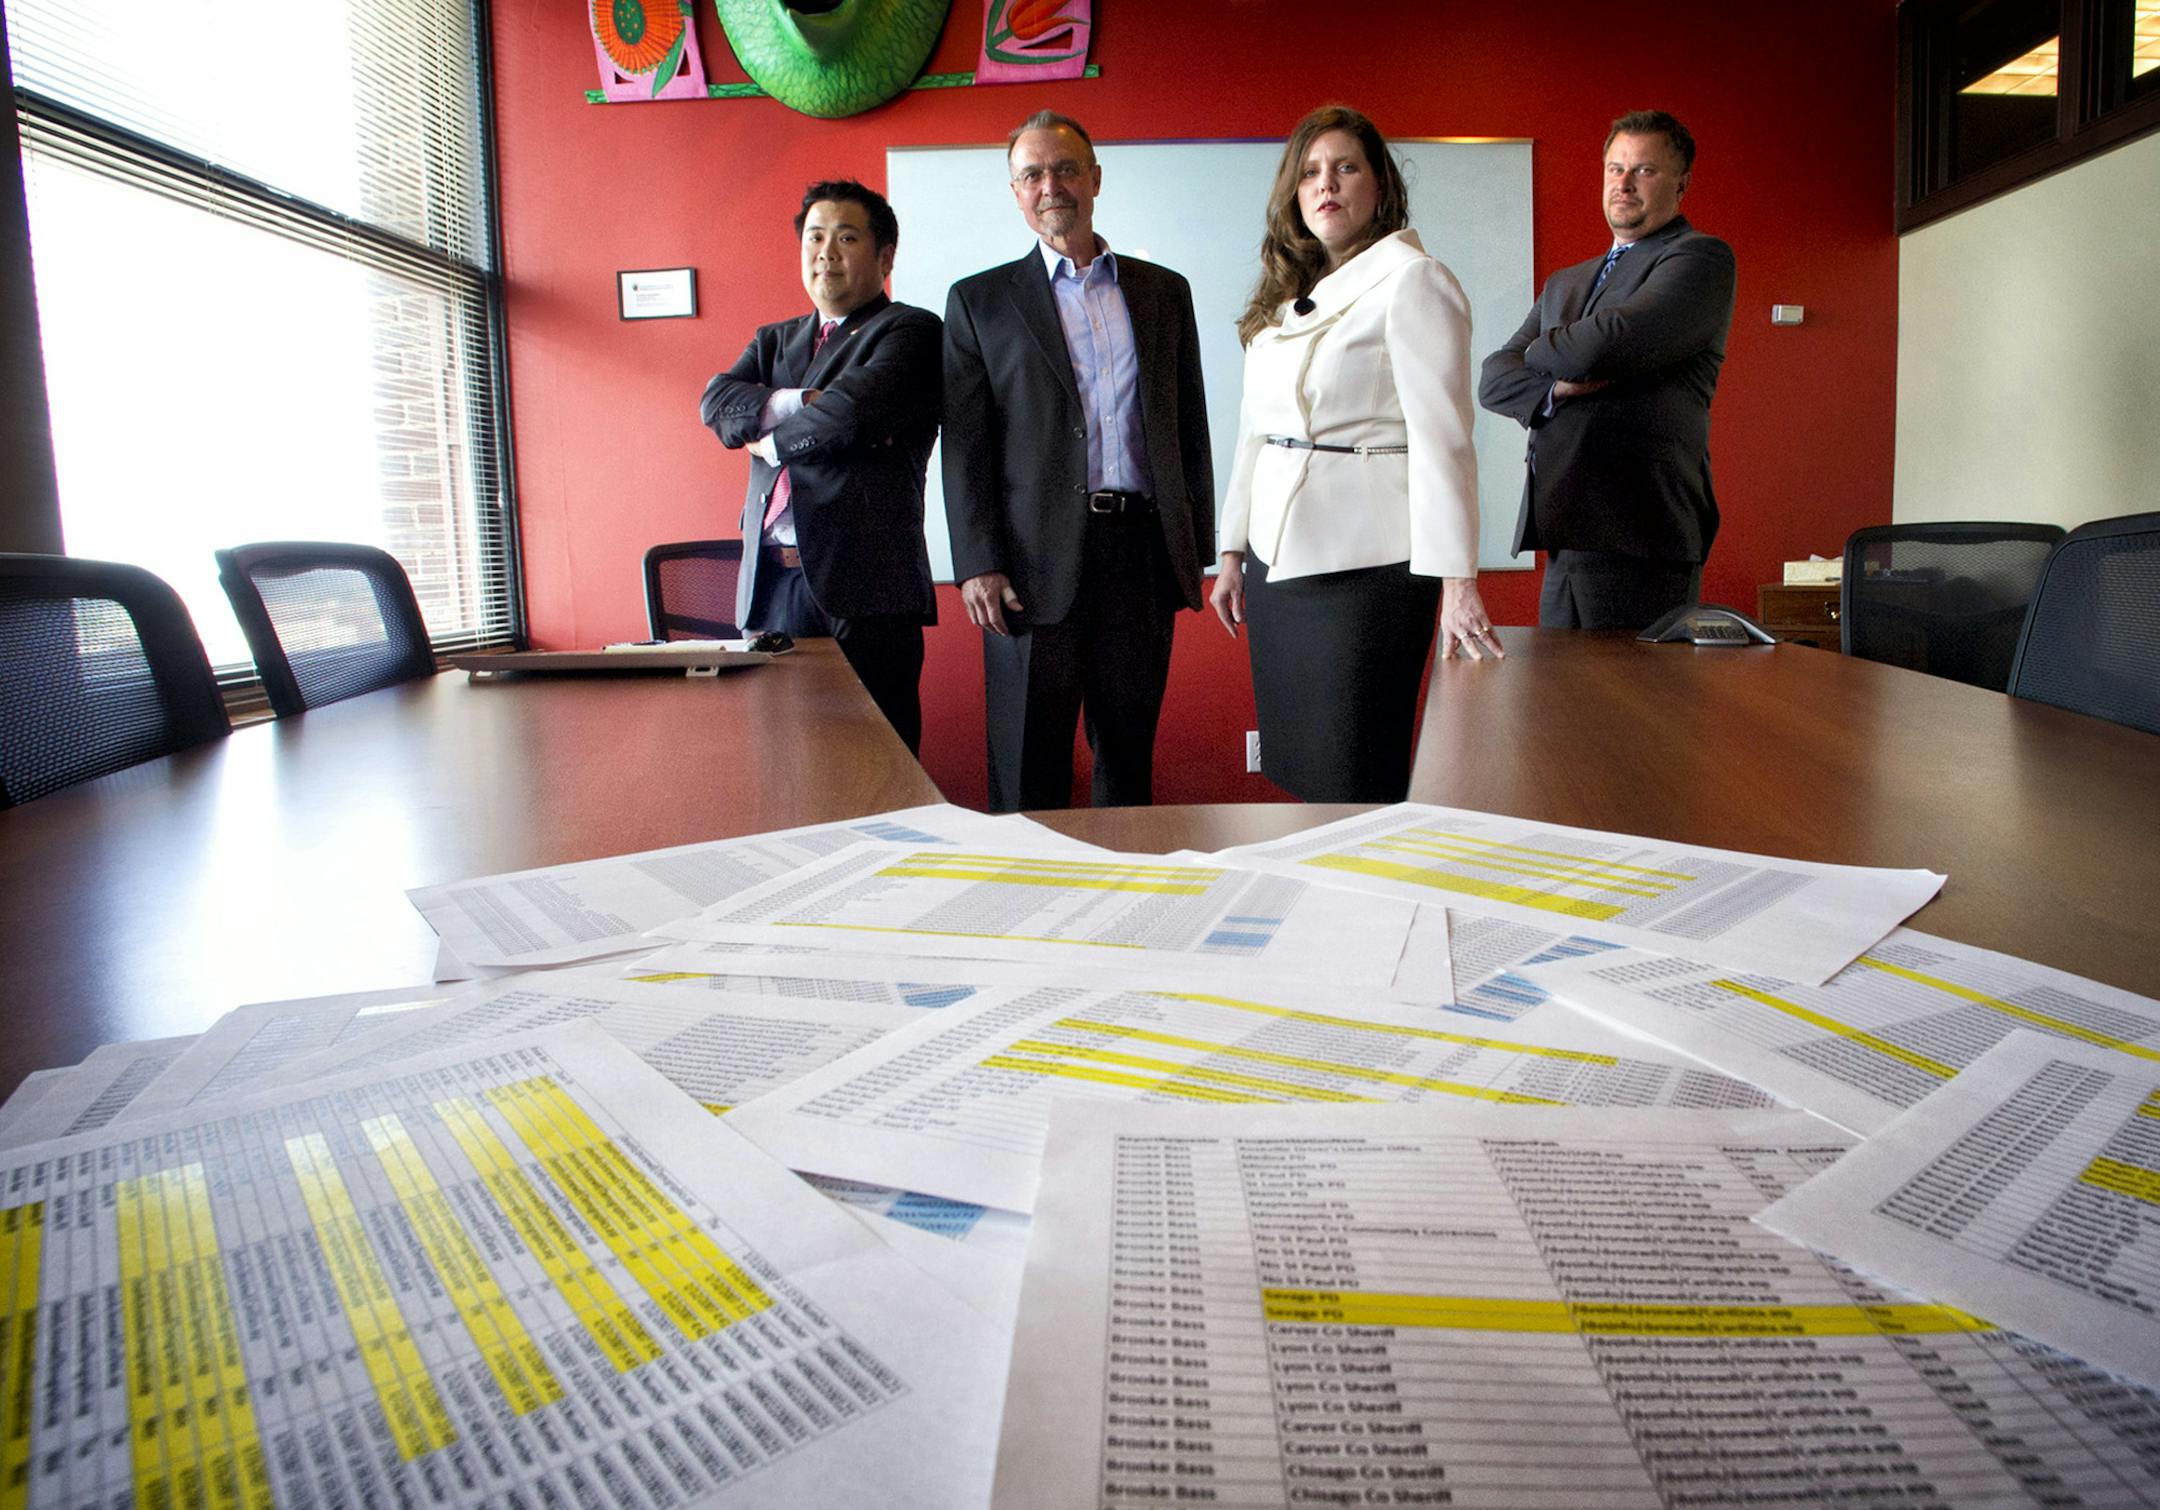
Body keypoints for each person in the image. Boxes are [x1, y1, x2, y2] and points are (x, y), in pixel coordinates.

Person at [1210, 105, 1497, 805]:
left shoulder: (1413, 280)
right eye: (1310, 172)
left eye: (1345, 167)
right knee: (1299, 769)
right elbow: (1255, 431)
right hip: (1278, 567)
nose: (1326, 184)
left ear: (1379, 185)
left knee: (1354, 773)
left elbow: (1444, 438)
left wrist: (1459, 582)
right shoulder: (1288, 298)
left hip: (1367, 569)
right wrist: (1231, 552)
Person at [942, 110, 1214, 813]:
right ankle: (1031, 882)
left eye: (1065, 169)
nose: (1050, 186)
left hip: (1139, 555)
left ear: (1094, 178)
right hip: (1028, 566)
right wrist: (977, 561)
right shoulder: (979, 302)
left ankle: (1125, 883)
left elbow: (1188, 425)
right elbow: (966, 444)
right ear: (1015, 191)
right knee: (1028, 764)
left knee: (1127, 758)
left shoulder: (1163, 292)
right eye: (1031, 174)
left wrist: (1196, 551)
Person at [700, 179, 940, 752]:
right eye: (814, 237)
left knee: (874, 763)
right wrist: (800, 401)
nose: (826, 252)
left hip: (865, 588)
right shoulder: (773, 340)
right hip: (771, 582)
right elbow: (715, 405)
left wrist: (770, 440)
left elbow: (852, 413)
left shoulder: (910, 330)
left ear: (885, 257)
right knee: (782, 758)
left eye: (846, 238)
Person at [1478, 110, 1737, 630]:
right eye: (1615, 168)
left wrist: (1540, 353)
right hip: (1564, 531)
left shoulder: (1698, 259)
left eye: (1644, 170)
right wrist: (1556, 387)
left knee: (1633, 687)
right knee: (1558, 684)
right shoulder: (1565, 282)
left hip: (1642, 533)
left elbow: (1603, 346)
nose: (1624, 183)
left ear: (1681, 183)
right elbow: (1493, 379)